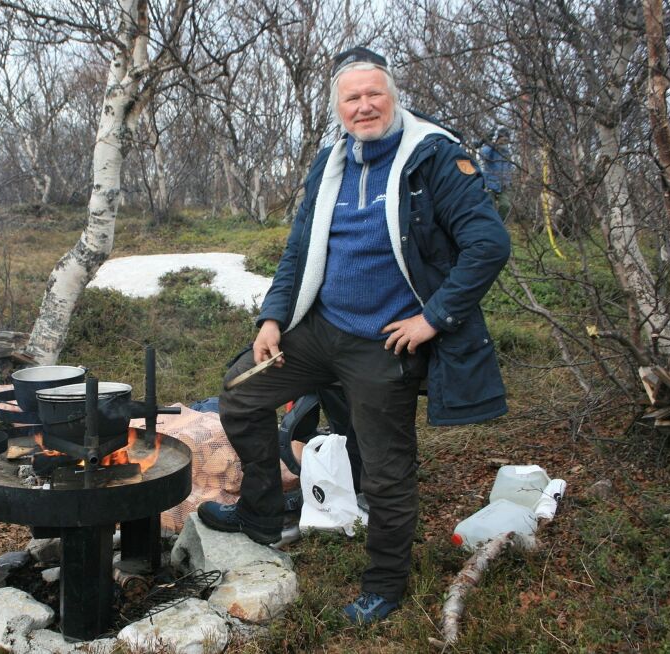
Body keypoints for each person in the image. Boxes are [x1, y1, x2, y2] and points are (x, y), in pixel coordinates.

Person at [197, 47, 511, 626]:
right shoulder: (331, 162)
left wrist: (432, 319)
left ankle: (385, 585)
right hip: (320, 327)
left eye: (375, 94)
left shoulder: (434, 158)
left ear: (393, 98)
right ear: (337, 107)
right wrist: (273, 319)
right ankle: (264, 516)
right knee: (241, 395)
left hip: (386, 341)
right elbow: (298, 249)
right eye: (352, 98)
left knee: (387, 469)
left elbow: (488, 245)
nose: (364, 106)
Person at [479, 128, 515, 221]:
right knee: (489, 206)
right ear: (498, 138)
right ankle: (488, 224)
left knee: (505, 206)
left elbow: (508, 168)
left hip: (503, 185)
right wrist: (492, 145)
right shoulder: (490, 149)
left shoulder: (507, 153)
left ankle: (498, 224)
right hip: (490, 184)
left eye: (506, 140)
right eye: (503, 139)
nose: (504, 142)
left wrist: (508, 182)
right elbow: (483, 155)